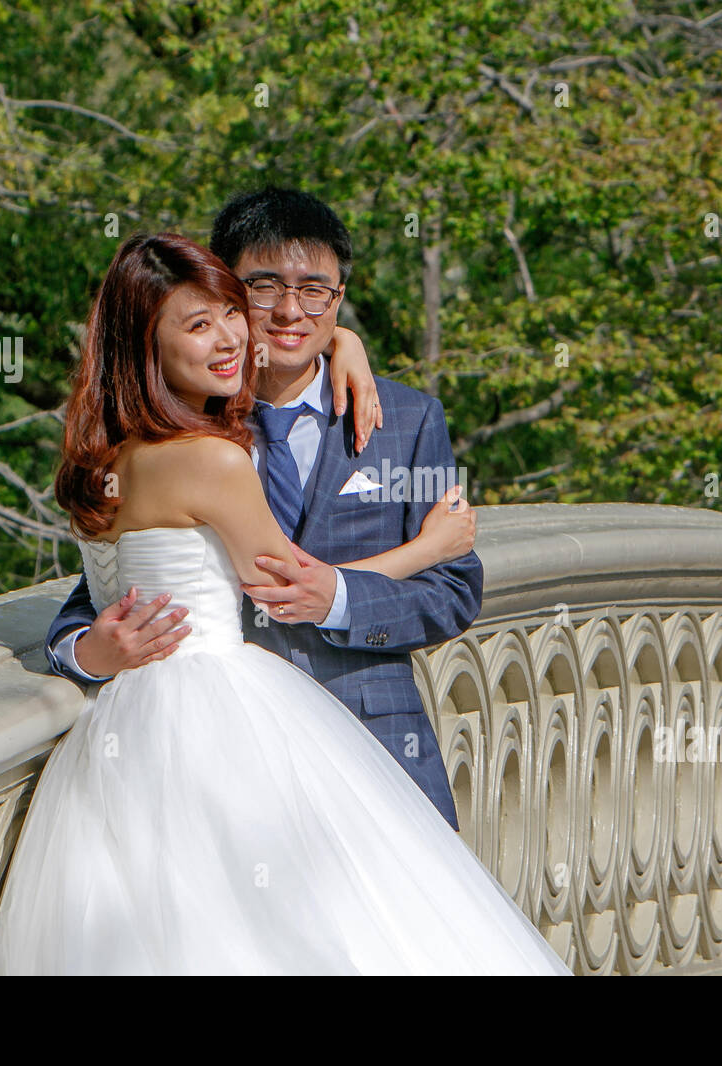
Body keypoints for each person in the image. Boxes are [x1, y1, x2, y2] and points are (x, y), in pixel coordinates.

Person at [0, 231, 569, 974]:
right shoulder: (218, 450)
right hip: (244, 733)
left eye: (230, 314)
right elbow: (284, 581)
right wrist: (432, 542)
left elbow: (450, 597)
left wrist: (340, 345)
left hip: (162, 740)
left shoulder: (100, 458)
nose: (236, 333)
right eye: (210, 319)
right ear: (147, 344)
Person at [43, 187, 475, 829]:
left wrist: (340, 601)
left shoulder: (409, 420)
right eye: (264, 288)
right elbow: (105, 591)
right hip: (228, 764)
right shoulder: (185, 430)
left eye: (316, 291)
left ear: (339, 299)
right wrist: (82, 650)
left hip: (379, 747)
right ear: (226, 289)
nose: (290, 311)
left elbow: (454, 593)